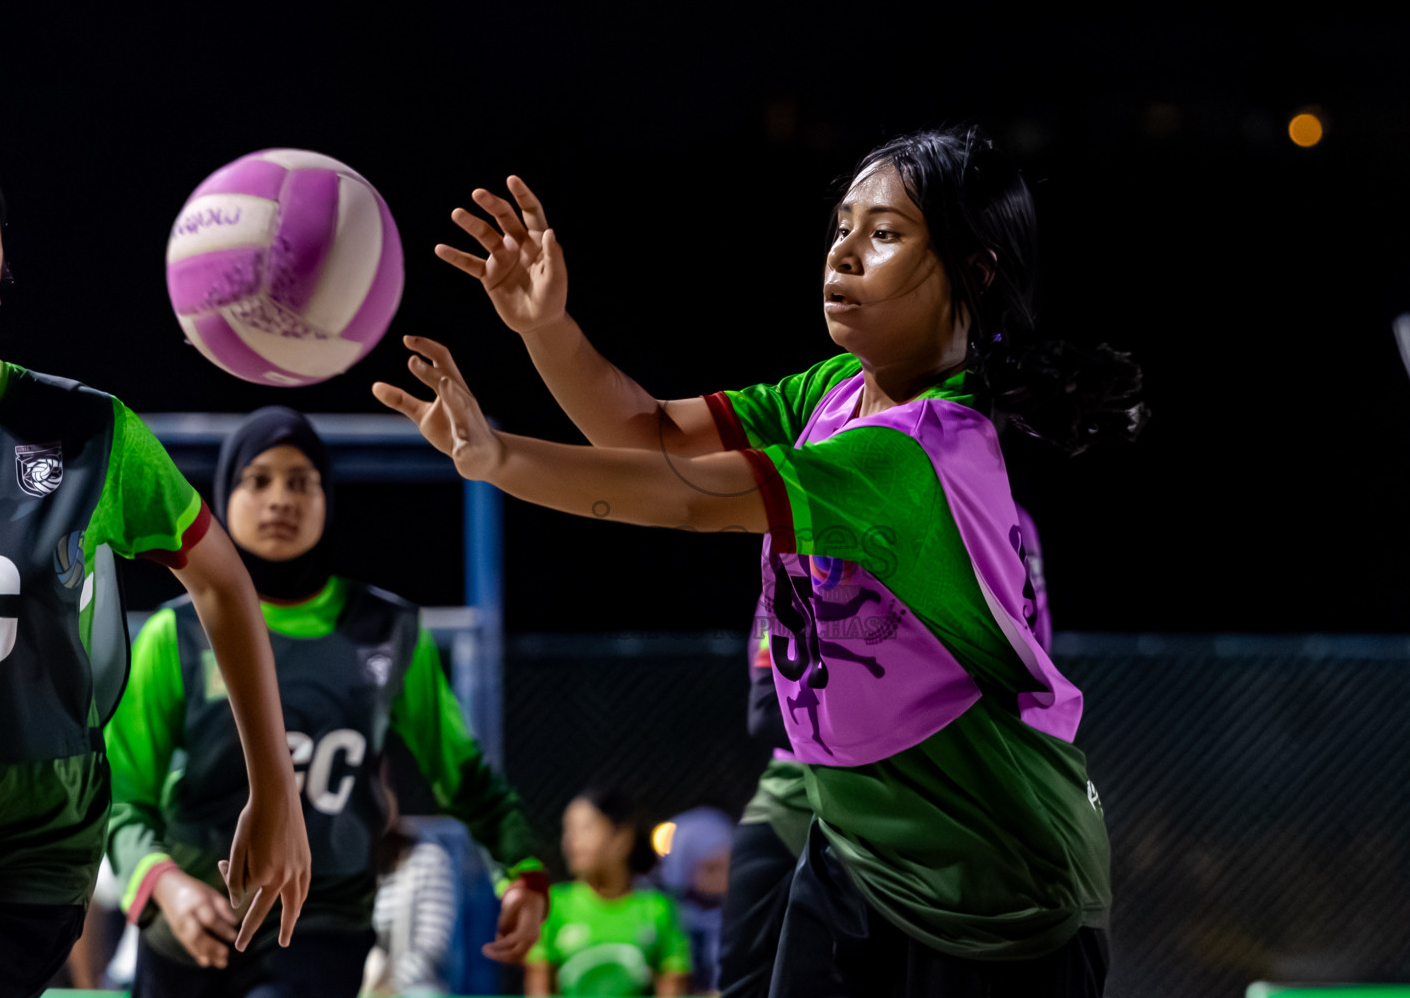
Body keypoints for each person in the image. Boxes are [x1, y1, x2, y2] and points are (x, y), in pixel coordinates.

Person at [374, 125, 1144, 997]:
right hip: (862, 849)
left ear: (976, 269)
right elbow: (647, 431)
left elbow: (687, 495)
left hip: (999, 880)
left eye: (885, 234)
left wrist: (499, 458)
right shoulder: (836, 393)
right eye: (842, 226)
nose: (844, 251)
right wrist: (546, 328)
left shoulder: (921, 453)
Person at [0, 153, 309, 998]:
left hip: (26, 855)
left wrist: (276, 787)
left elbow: (225, 583)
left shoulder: (88, 432)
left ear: (1, 274)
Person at [105, 406, 548, 998]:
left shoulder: (387, 632)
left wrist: (521, 868)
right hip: (194, 923)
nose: (280, 499)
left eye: (301, 482)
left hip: (321, 924)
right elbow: (124, 796)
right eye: (257, 480)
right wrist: (163, 887)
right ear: (222, 497)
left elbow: (464, 775)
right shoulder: (176, 635)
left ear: (327, 499)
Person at [718, 504, 1052, 997]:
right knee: (749, 964)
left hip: (945, 783)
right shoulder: (807, 516)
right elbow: (766, 708)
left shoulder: (999, 515)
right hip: (808, 784)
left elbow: (1023, 683)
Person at [524, 787, 692, 996]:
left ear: (622, 838)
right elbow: (538, 990)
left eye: (586, 828)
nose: (571, 841)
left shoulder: (658, 909)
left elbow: (672, 989)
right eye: (568, 830)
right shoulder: (551, 906)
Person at [657, 806, 733, 995]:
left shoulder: (743, 916)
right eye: (712, 868)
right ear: (683, 867)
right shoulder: (666, 920)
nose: (725, 877)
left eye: (731, 865)